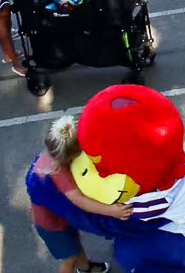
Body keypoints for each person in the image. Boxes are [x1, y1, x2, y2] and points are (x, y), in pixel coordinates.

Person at [30, 116, 123, 273]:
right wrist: (112, 210)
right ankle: (79, 267)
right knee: (69, 259)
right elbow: (80, 200)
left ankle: (85, 268)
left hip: (55, 219)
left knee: (74, 245)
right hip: (53, 225)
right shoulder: (59, 173)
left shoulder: (49, 157)